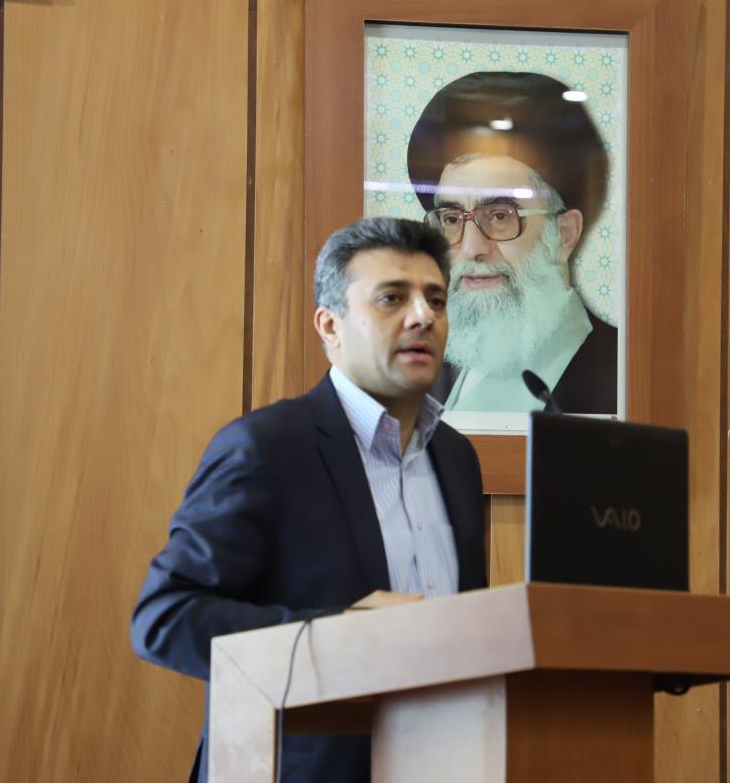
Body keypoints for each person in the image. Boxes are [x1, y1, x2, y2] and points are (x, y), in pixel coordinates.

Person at [130, 217, 487, 783]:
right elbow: (166, 618)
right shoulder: (266, 448)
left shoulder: (457, 457)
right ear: (330, 325)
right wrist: (343, 637)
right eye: (392, 297)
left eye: (436, 300)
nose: (423, 316)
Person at [406, 71, 617, 414]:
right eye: (452, 219)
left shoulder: (621, 373)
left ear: (564, 233)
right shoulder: (416, 370)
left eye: (500, 216)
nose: (472, 247)